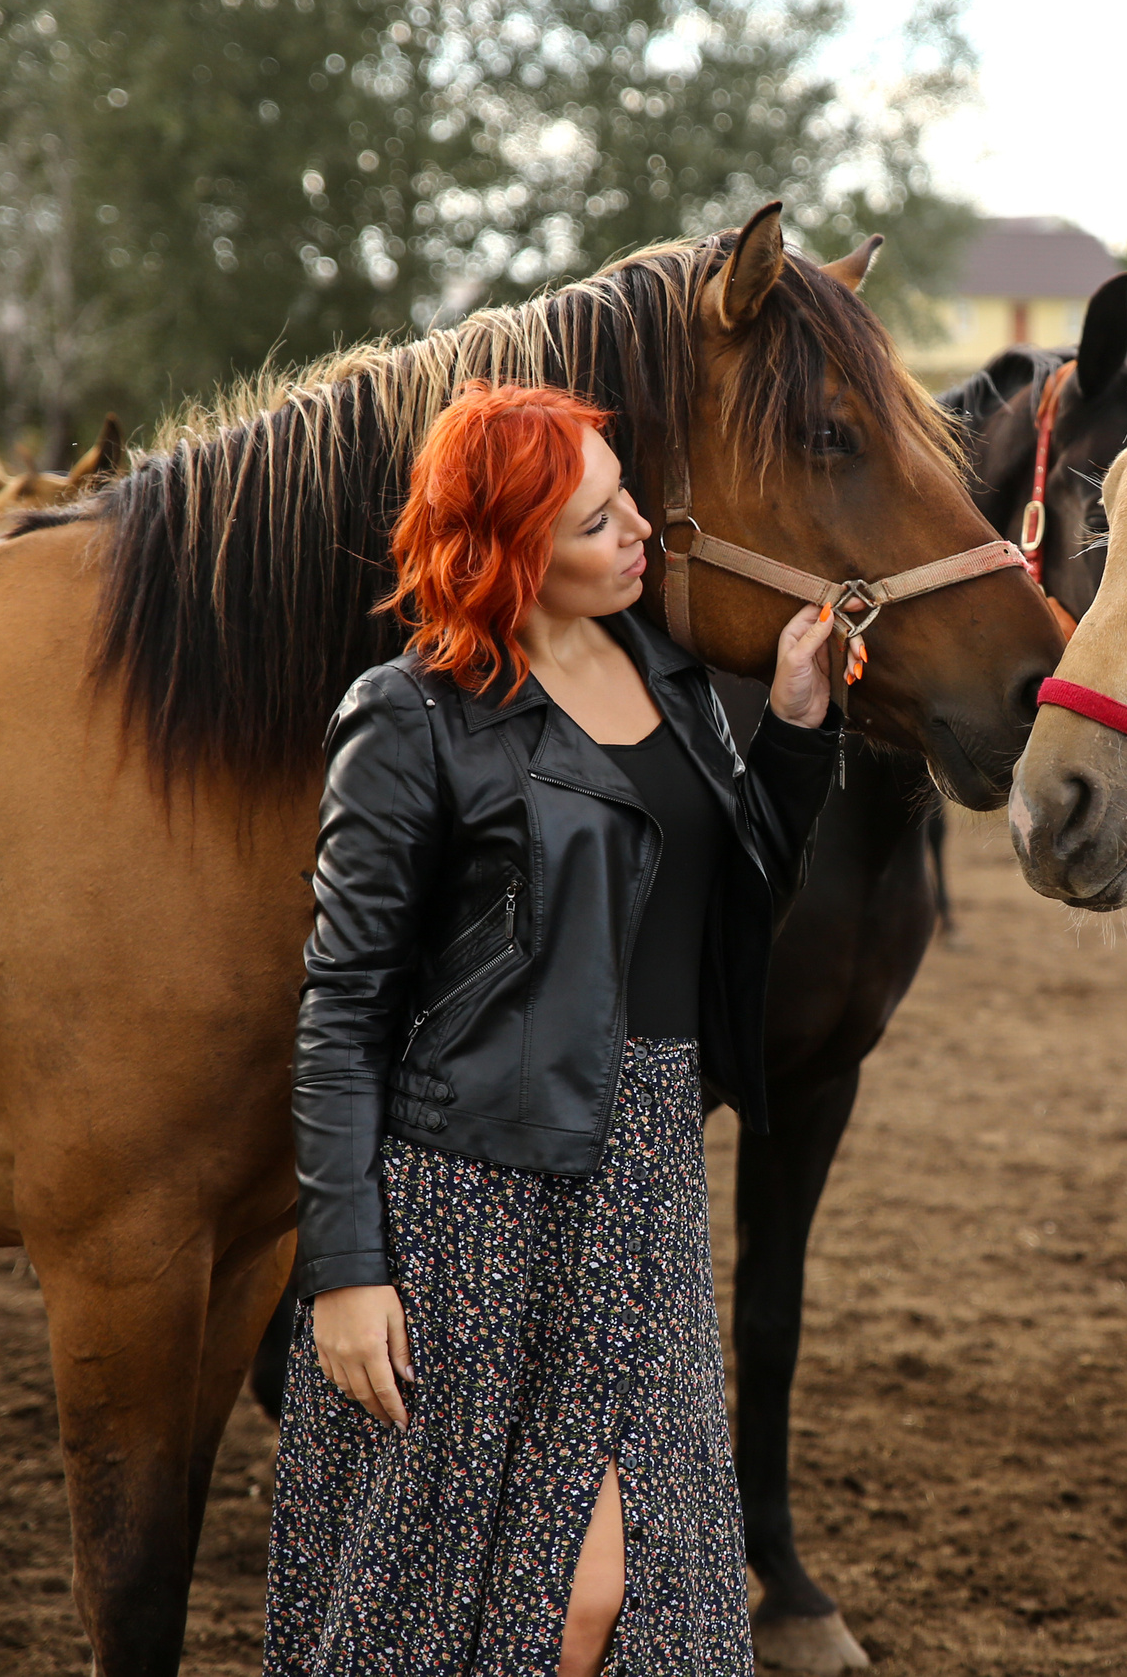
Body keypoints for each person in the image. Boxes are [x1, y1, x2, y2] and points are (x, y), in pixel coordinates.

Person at [264, 380, 840, 1676]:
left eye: (626, 492)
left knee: (643, 1593)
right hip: (477, 1199)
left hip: (645, 1181)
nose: (640, 528)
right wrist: (347, 1271)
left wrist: (796, 730)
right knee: (531, 1606)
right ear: (511, 552)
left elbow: (724, 902)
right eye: (596, 520)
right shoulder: (408, 724)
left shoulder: (671, 678)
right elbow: (341, 1012)